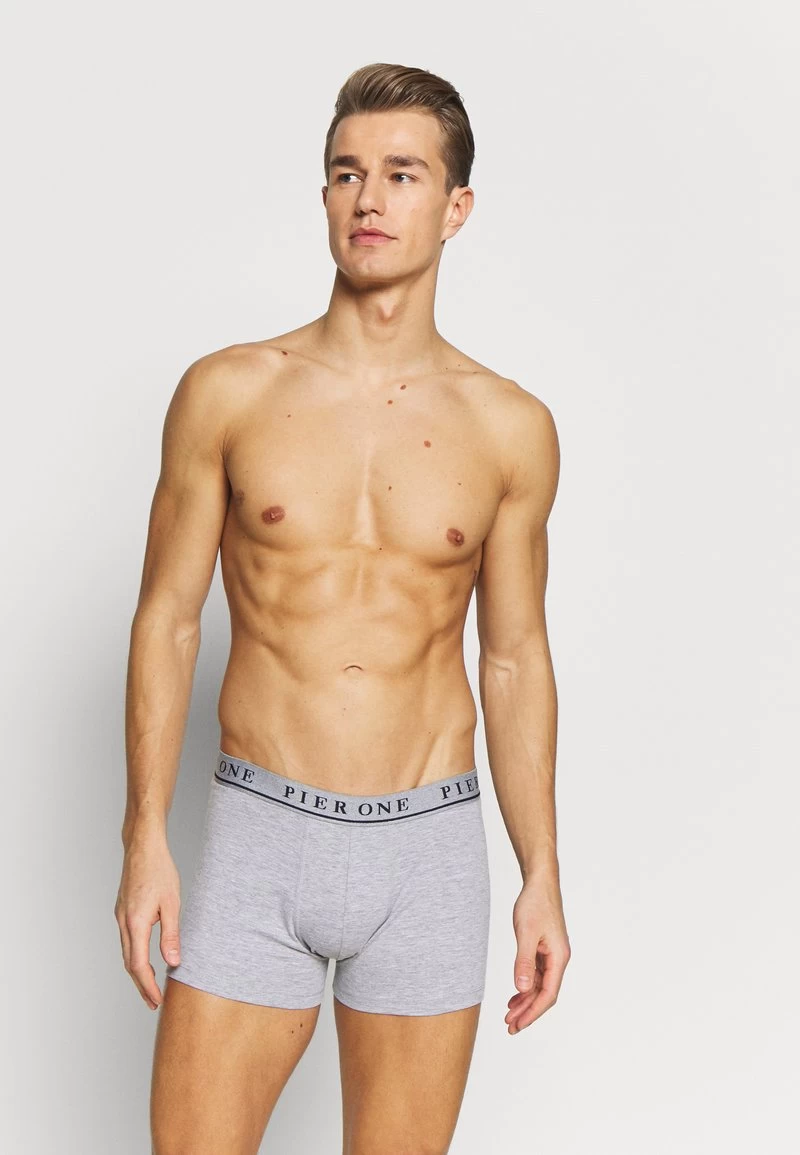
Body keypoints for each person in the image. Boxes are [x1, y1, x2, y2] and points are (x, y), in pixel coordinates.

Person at [115, 61, 570, 1155]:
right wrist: (143, 835)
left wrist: (541, 872)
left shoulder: (509, 427)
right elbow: (167, 617)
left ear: (455, 207)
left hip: (427, 847)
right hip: (259, 833)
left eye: (402, 175)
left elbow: (513, 657)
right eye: (346, 173)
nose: (369, 199)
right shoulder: (228, 392)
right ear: (324, 194)